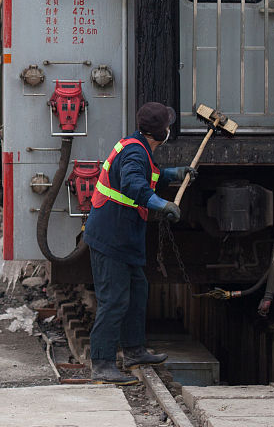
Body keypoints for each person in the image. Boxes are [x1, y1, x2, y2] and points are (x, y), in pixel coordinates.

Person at [82, 102, 193, 385]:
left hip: (122, 235)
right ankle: (102, 363)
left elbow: (148, 174)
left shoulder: (138, 145)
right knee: (114, 299)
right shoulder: (135, 151)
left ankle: (133, 350)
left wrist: (176, 173)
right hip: (111, 236)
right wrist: (162, 205)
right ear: (160, 133)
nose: (169, 130)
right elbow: (134, 184)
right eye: (167, 126)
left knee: (137, 290)